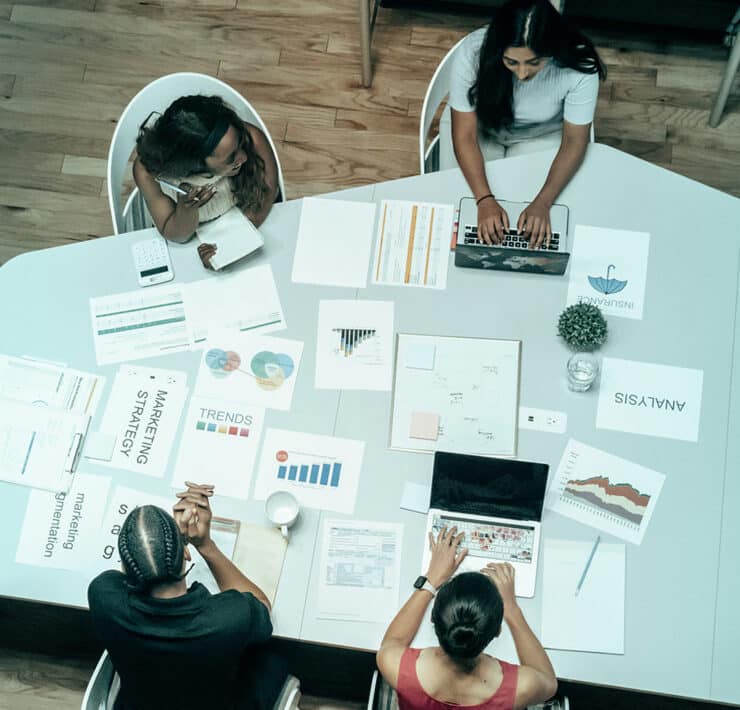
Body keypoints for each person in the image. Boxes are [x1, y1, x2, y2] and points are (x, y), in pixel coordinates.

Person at [87, 482, 292, 710]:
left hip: (142, 699)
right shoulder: (229, 619)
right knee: (270, 660)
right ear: (186, 553)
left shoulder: (103, 596)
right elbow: (262, 605)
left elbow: (124, 575)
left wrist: (162, 552)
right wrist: (205, 545)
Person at [449, 0, 606, 248]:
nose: (522, 74)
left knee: (540, 218)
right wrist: (484, 199)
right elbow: (464, 135)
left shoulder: (579, 66)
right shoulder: (472, 53)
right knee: (463, 210)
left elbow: (575, 140)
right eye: (512, 62)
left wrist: (543, 202)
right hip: (484, 132)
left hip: (541, 136)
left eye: (534, 62)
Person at [377, 526, 558, 710]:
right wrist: (511, 609)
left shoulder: (394, 665)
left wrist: (431, 580)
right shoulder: (519, 689)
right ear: (497, 630)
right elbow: (549, 682)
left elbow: (393, 641)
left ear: (432, 618)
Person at [134, 95, 280, 268]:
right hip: (190, 240)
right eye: (231, 158)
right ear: (195, 165)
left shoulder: (252, 137)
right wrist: (187, 211)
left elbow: (266, 193)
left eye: (240, 142)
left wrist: (230, 246)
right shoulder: (147, 174)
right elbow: (177, 236)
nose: (244, 156)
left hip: (248, 222)